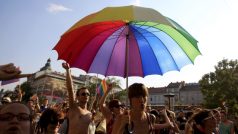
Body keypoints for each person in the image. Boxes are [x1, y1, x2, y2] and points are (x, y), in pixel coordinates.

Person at [62, 62, 92, 134]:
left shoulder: (89, 113)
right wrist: (68, 70)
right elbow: (70, 89)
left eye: (88, 94)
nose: (86, 95)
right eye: (83, 94)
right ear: (77, 97)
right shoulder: (74, 107)